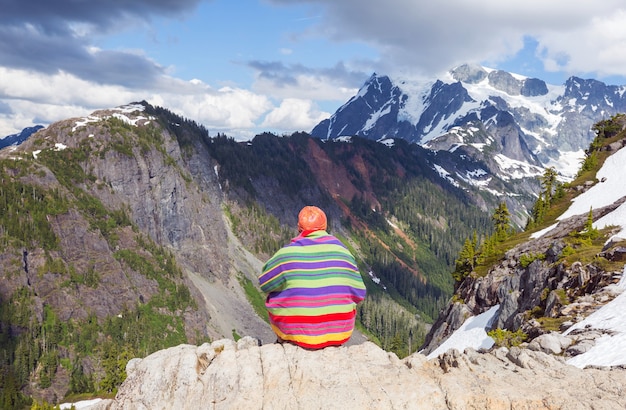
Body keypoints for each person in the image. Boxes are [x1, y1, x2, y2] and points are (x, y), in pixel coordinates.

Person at [258, 206, 366, 349]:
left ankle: (287, 336)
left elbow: (264, 283)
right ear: (325, 226)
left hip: (297, 336)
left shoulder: (286, 254)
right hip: (340, 334)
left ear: (299, 228)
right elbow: (359, 293)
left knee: (274, 295)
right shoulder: (343, 252)